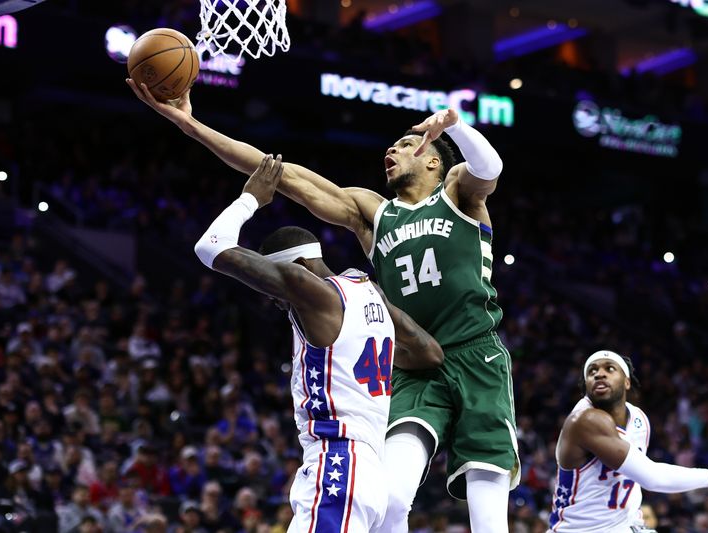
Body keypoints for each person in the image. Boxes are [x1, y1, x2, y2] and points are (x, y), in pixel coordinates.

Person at [129, 81, 516, 533]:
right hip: (414, 367)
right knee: (390, 501)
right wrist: (190, 124)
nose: (391, 150)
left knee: (488, 511)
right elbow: (277, 173)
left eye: (405, 144)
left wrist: (456, 124)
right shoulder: (372, 212)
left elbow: (490, 168)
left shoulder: (456, 194)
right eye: (390, 146)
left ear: (434, 159)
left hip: (475, 353)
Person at [191, 154, 443, 532]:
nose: (277, 303)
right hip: (373, 476)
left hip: (337, 466)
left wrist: (250, 200)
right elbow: (429, 353)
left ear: (296, 269)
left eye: (276, 293)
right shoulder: (369, 290)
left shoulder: (309, 289)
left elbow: (210, 247)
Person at [548, 350, 708, 533]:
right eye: (592, 371)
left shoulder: (638, 418)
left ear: (627, 382)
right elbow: (651, 477)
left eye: (609, 368)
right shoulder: (585, 420)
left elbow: (632, 475)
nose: (599, 374)